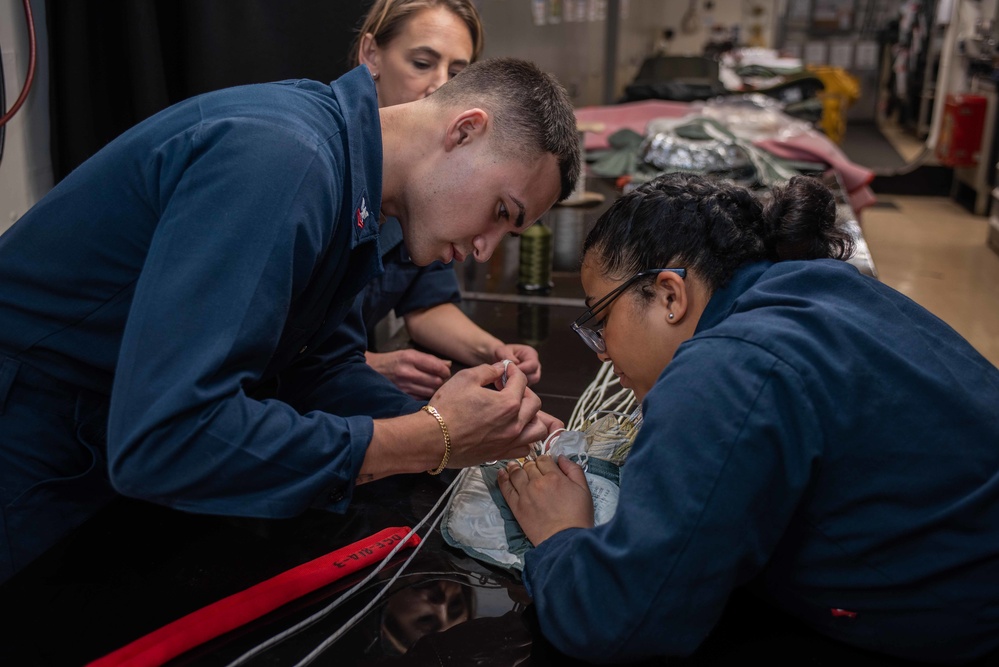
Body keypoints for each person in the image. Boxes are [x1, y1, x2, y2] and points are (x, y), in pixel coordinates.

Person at [0, 56, 580, 584]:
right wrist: (429, 438)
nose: (485, 248)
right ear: (465, 130)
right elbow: (168, 435)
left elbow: (320, 370)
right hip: (29, 450)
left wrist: (485, 436)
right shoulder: (282, 158)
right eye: (501, 212)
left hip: (102, 459)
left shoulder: (358, 188)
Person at [497, 173, 999, 664]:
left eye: (601, 319)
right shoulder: (823, 290)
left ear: (670, 295)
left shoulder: (729, 367)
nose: (603, 354)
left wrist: (560, 535)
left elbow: (619, 621)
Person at [351, 0, 541, 399]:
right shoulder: (320, 169)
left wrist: (493, 353)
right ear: (371, 55)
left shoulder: (430, 189)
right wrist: (368, 365)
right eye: (422, 63)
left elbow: (426, 303)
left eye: (457, 74)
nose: (440, 86)